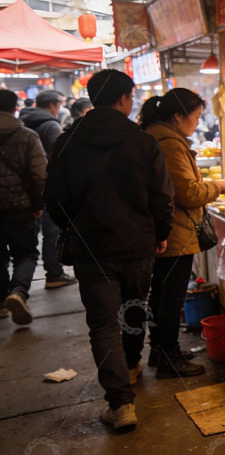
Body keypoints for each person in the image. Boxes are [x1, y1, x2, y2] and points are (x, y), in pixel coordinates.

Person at [44, 69, 174, 430]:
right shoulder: (143, 141)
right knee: (134, 310)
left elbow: (54, 201)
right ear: (123, 98)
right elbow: (163, 196)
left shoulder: (67, 142)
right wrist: (160, 232)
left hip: (92, 248)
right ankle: (131, 366)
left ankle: (120, 404)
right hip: (138, 244)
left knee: (102, 325)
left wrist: (78, 224)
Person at [138, 89, 225, 378]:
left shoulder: (156, 136)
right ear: (178, 116)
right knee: (170, 299)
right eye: (195, 117)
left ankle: (159, 350)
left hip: (164, 230)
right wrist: (217, 186)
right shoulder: (169, 143)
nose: (197, 122)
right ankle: (169, 358)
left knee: (160, 294)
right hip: (175, 232)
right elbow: (189, 193)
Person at [19, 89, 76, 288]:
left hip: (21, 191)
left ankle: (13, 288)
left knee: (28, 238)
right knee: (52, 232)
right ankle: (54, 273)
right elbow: (59, 159)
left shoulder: (23, 122)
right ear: (53, 105)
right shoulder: (51, 125)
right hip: (45, 186)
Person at [0, 89, 47, 324]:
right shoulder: (27, 136)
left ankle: (0, 302)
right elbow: (40, 175)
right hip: (21, 208)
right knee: (26, 253)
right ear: (14, 107)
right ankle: (18, 292)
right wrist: (39, 204)